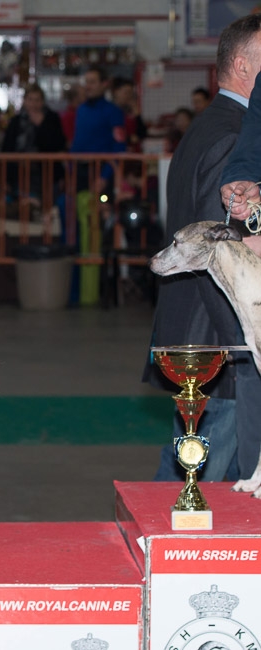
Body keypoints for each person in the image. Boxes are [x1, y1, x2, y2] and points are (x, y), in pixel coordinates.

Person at [147, 14, 261, 483]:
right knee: (193, 479)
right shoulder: (234, 136)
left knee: (195, 470)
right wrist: (244, 342)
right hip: (220, 336)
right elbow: (223, 250)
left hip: (201, 329)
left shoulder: (207, 125)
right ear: (241, 63)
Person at [69, 65, 126, 305]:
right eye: (86, 82)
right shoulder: (80, 110)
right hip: (80, 174)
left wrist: (104, 177)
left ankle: (101, 291)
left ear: (103, 84)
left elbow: (118, 148)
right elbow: (77, 144)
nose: (88, 86)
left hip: (102, 177)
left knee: (100, 232)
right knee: (77, 232)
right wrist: (71, 173)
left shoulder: (114, 112)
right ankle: (78, 291)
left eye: (93, 81)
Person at [1, 83, 66, 198]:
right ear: (25, 101)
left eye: (37, 100)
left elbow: (58, 145)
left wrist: (41, 126)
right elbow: (7, 148)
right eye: (30, 99)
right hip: (20, 175)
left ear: (42, 101)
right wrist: (5, 179)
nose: (33, 104)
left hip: (47, 175)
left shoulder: (52, 119)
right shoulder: (16, 121)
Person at [111, 76, 148, 152]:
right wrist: (129, 138)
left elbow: (142, 133)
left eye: (131, 93)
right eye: (126, 92)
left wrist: (138, 115)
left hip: (132, 155)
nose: (129, 96)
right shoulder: (109, 111)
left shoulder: (131, 112)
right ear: (116, 92)